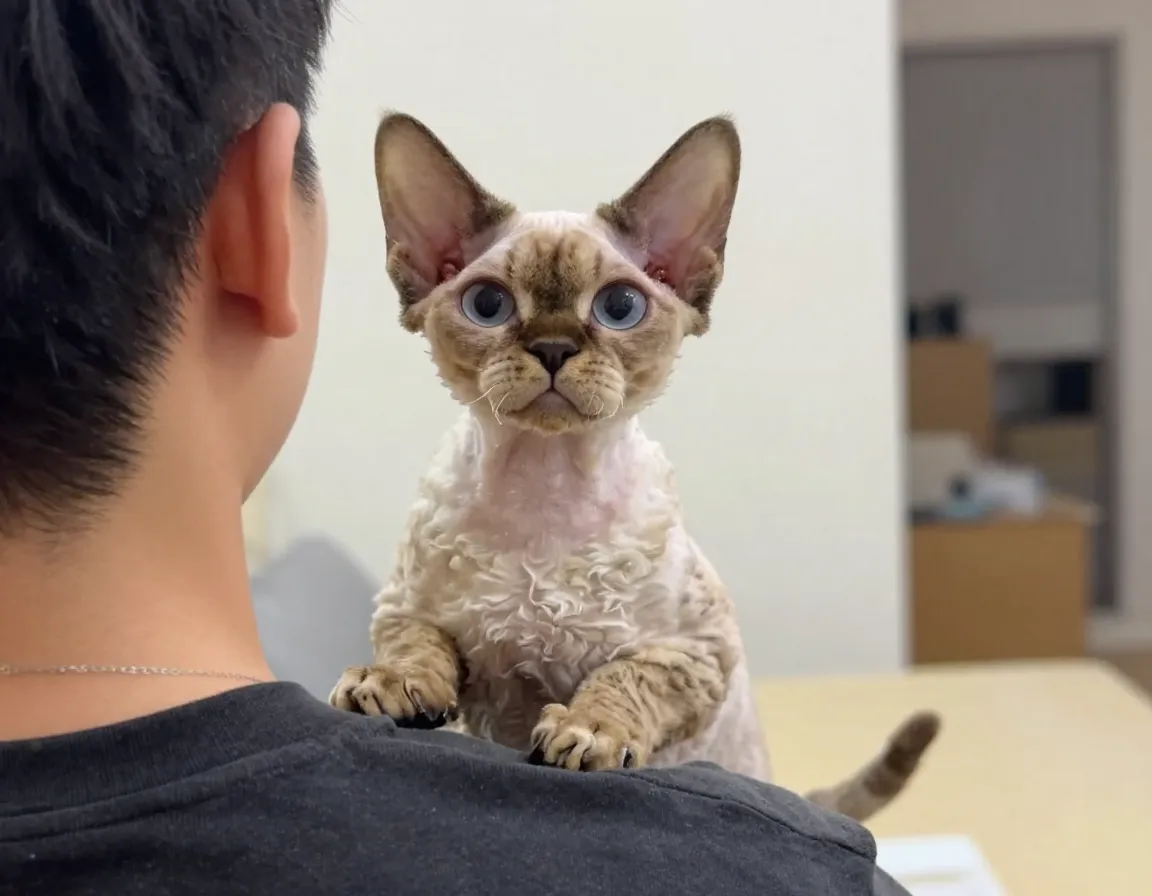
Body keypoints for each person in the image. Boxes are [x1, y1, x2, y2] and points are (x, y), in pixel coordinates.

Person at [0, 2, 910, 894]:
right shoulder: (800, 877)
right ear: (261, 228)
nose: (554, 350)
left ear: (689, 276)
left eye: (619, 307)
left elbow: (695, 658)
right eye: (486, 303)